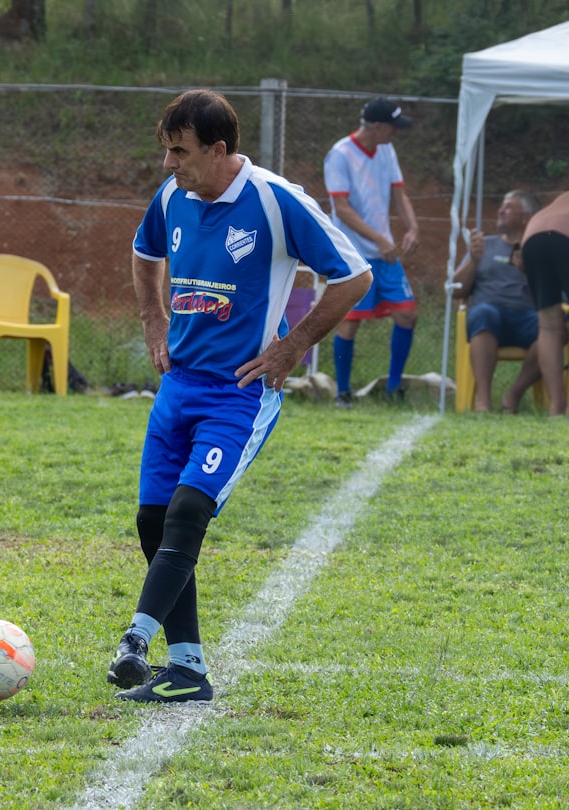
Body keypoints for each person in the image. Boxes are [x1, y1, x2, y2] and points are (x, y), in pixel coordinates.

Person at [109, 89, 372, 703]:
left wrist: (292, 347)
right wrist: (153, 320)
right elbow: (144, 252)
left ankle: (135, 643)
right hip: (178, 387)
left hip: (239, 394)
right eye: (166, 151)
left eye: (180, 152)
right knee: (153, 522)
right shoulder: (174, 196)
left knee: (188, 512)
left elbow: (354, 275)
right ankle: (190, 670)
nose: (168, 165)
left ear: (219, 150)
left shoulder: (276, 202)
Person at [324, 96, 420, 406]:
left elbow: (399, 191)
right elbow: (342, 208)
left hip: (385, 251)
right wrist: (380, 239)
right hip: (354, 253)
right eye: (393, 128)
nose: (396, 133)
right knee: (350, 321)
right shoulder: (339, 155)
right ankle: (343, 393)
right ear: (377, 127)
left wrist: (413, 227)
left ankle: (393, 390)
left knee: (408, 314)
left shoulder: (386, 149)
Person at [452, 190, 542, 412]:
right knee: (485, 314)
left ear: (526, 218)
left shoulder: (538, 249)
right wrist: (473, 261)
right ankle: (483, 401)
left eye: (509, 207)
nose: (501, 210)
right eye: (502, 205)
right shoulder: (484, 245)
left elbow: (553, 293)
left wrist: (528, 269)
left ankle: (512, 396)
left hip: (528, 317)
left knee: (554, 329)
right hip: (490, 313)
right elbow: (456, 291)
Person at [521, 191, 569, 416]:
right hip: (565, 234)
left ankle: (556, 406)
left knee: (549, 326)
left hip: (533, 235)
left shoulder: (560, 199)